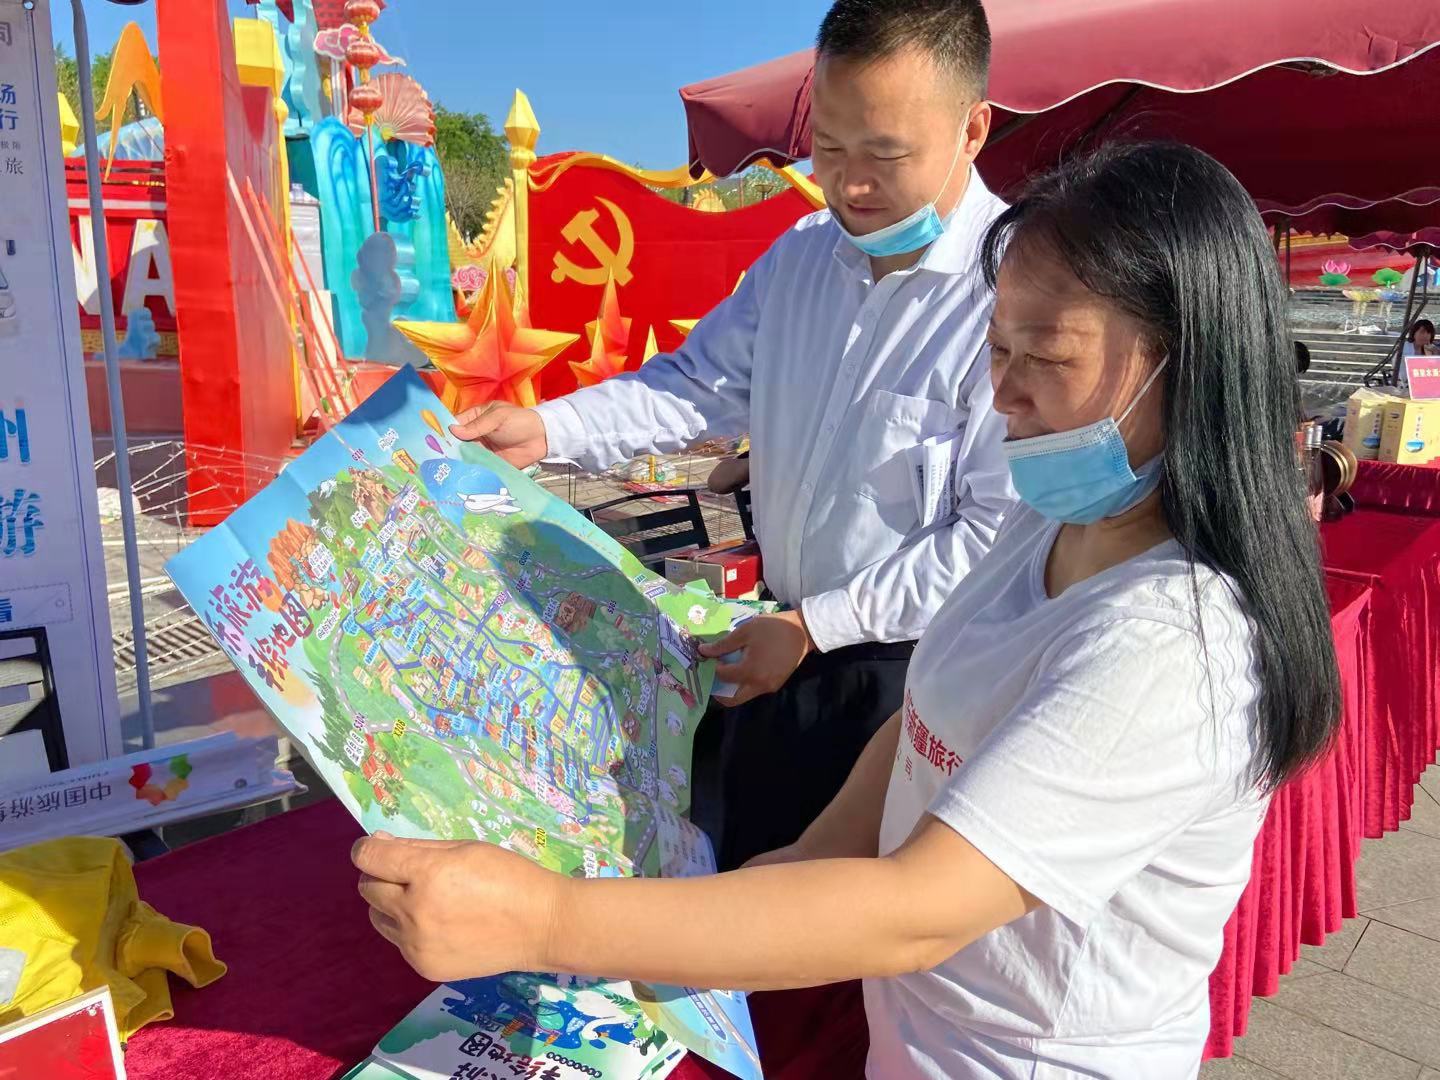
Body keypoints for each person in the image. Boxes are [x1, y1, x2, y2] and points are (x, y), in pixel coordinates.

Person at [354, 142, 1342, 1078]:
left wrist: (547, 919)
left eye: (1046, 357)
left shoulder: (1171, 643)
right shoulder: (1050, 521)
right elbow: (923, 729)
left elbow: (916, 910)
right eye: (996, 348)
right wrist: (797, 862)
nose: (1003, 395)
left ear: (1191, 366)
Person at [448, 0, 1014, 868]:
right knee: (749, 886)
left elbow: (995, 536)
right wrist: (547, 426)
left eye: (885, 155)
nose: (851, 185)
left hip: (920, 680)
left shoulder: (1016, 293)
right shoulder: (801, 259)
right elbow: (692, 387)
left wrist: (820, 625)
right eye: (829, 149)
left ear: (972, 129)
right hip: (780, 650)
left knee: (863, 919)